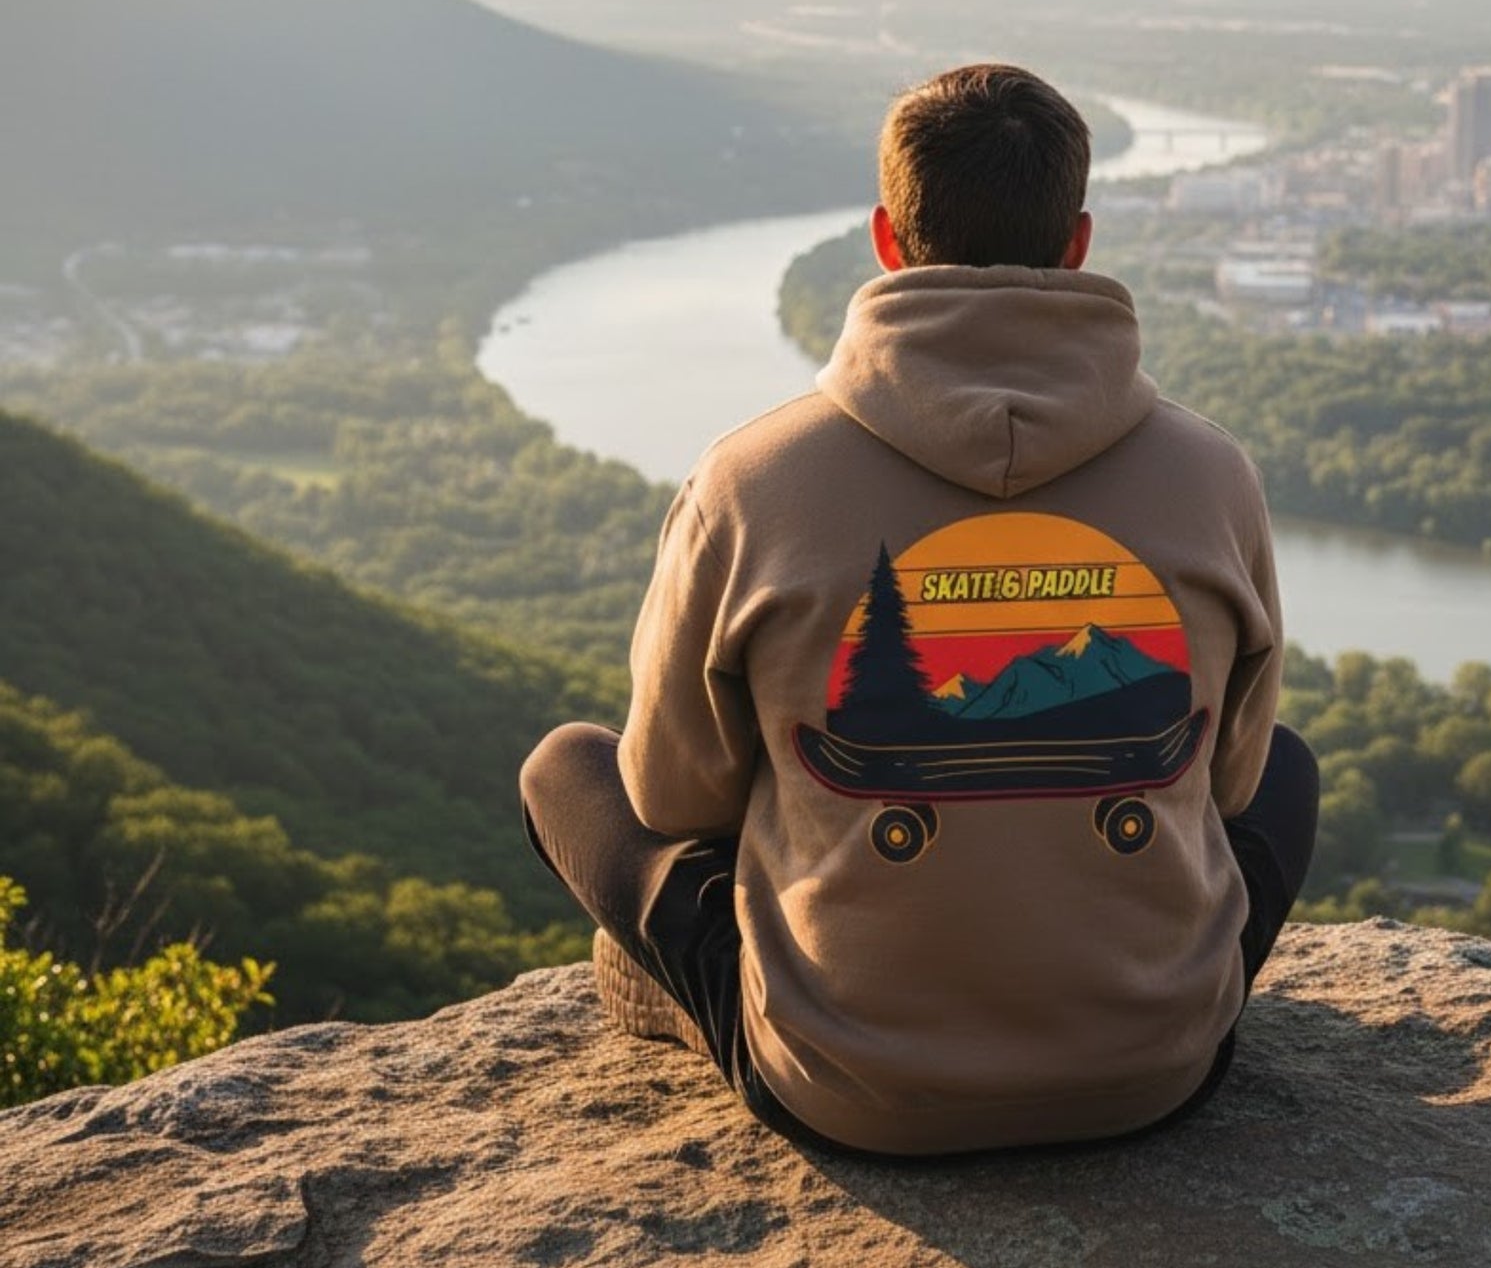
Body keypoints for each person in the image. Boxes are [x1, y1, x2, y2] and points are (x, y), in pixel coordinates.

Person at [519, 63, 1319, 1156]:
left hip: (849, 1087)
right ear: (1077, 242)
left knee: (565, 765)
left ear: (886, 239)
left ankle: (722, 990)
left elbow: (671, 796)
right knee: (1288, 765)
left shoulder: (749, 481)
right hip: (1155, 1072)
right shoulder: (1210, 474)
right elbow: (1227, 784)